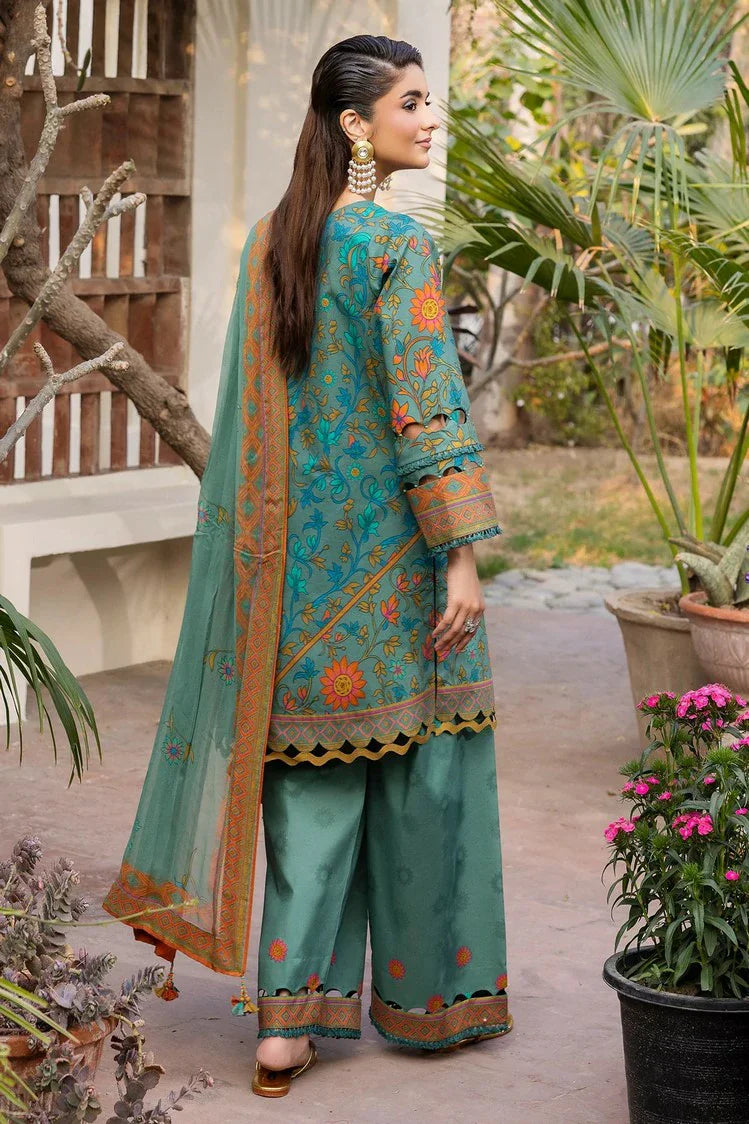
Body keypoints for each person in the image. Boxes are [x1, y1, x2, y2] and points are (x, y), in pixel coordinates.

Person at [103, 34, 510, 1100]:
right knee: (422, 783)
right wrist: (460, 557)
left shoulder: (271, 242)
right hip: (395, 569)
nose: (430, 119)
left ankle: (285, 1030)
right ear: (354, 126)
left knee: (311, 799)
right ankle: (428, 1002)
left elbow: (254, 422)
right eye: (411, 103)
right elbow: (425, 410)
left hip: (290, 578)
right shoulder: (394, 244)